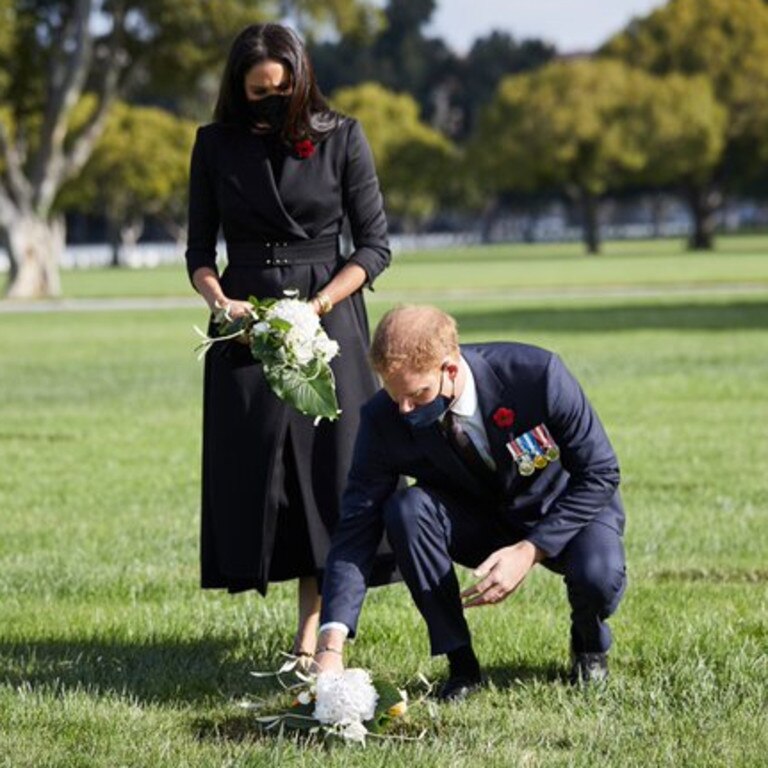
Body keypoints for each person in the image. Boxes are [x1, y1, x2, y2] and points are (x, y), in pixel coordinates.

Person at [185, 22, 396, 660]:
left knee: (325, 473)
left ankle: (316, 629)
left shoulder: (343, 138)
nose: (272, 100)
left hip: (327, 314)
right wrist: (220, 300)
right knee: (258, 471)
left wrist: (322, 303)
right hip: (246, 318)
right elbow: (200, 251)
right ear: (238, 89)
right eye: (258, 92)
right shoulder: (213, 145)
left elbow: (374, 246)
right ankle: (273, 585)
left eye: (282, 89)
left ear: (301, 81)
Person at [314, 305, 627, 699]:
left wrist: (530, 550)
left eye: (416, 394)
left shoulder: (537, 375)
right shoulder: (383, 419)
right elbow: (356, 525)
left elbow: (600, 473)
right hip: (476, 521)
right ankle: (461, 665)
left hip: (563, 508)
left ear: (450, 367)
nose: (404, 410)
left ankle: (588, 643)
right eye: (394, 396)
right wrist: (331, 643)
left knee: (598, 577)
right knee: (406, 510)